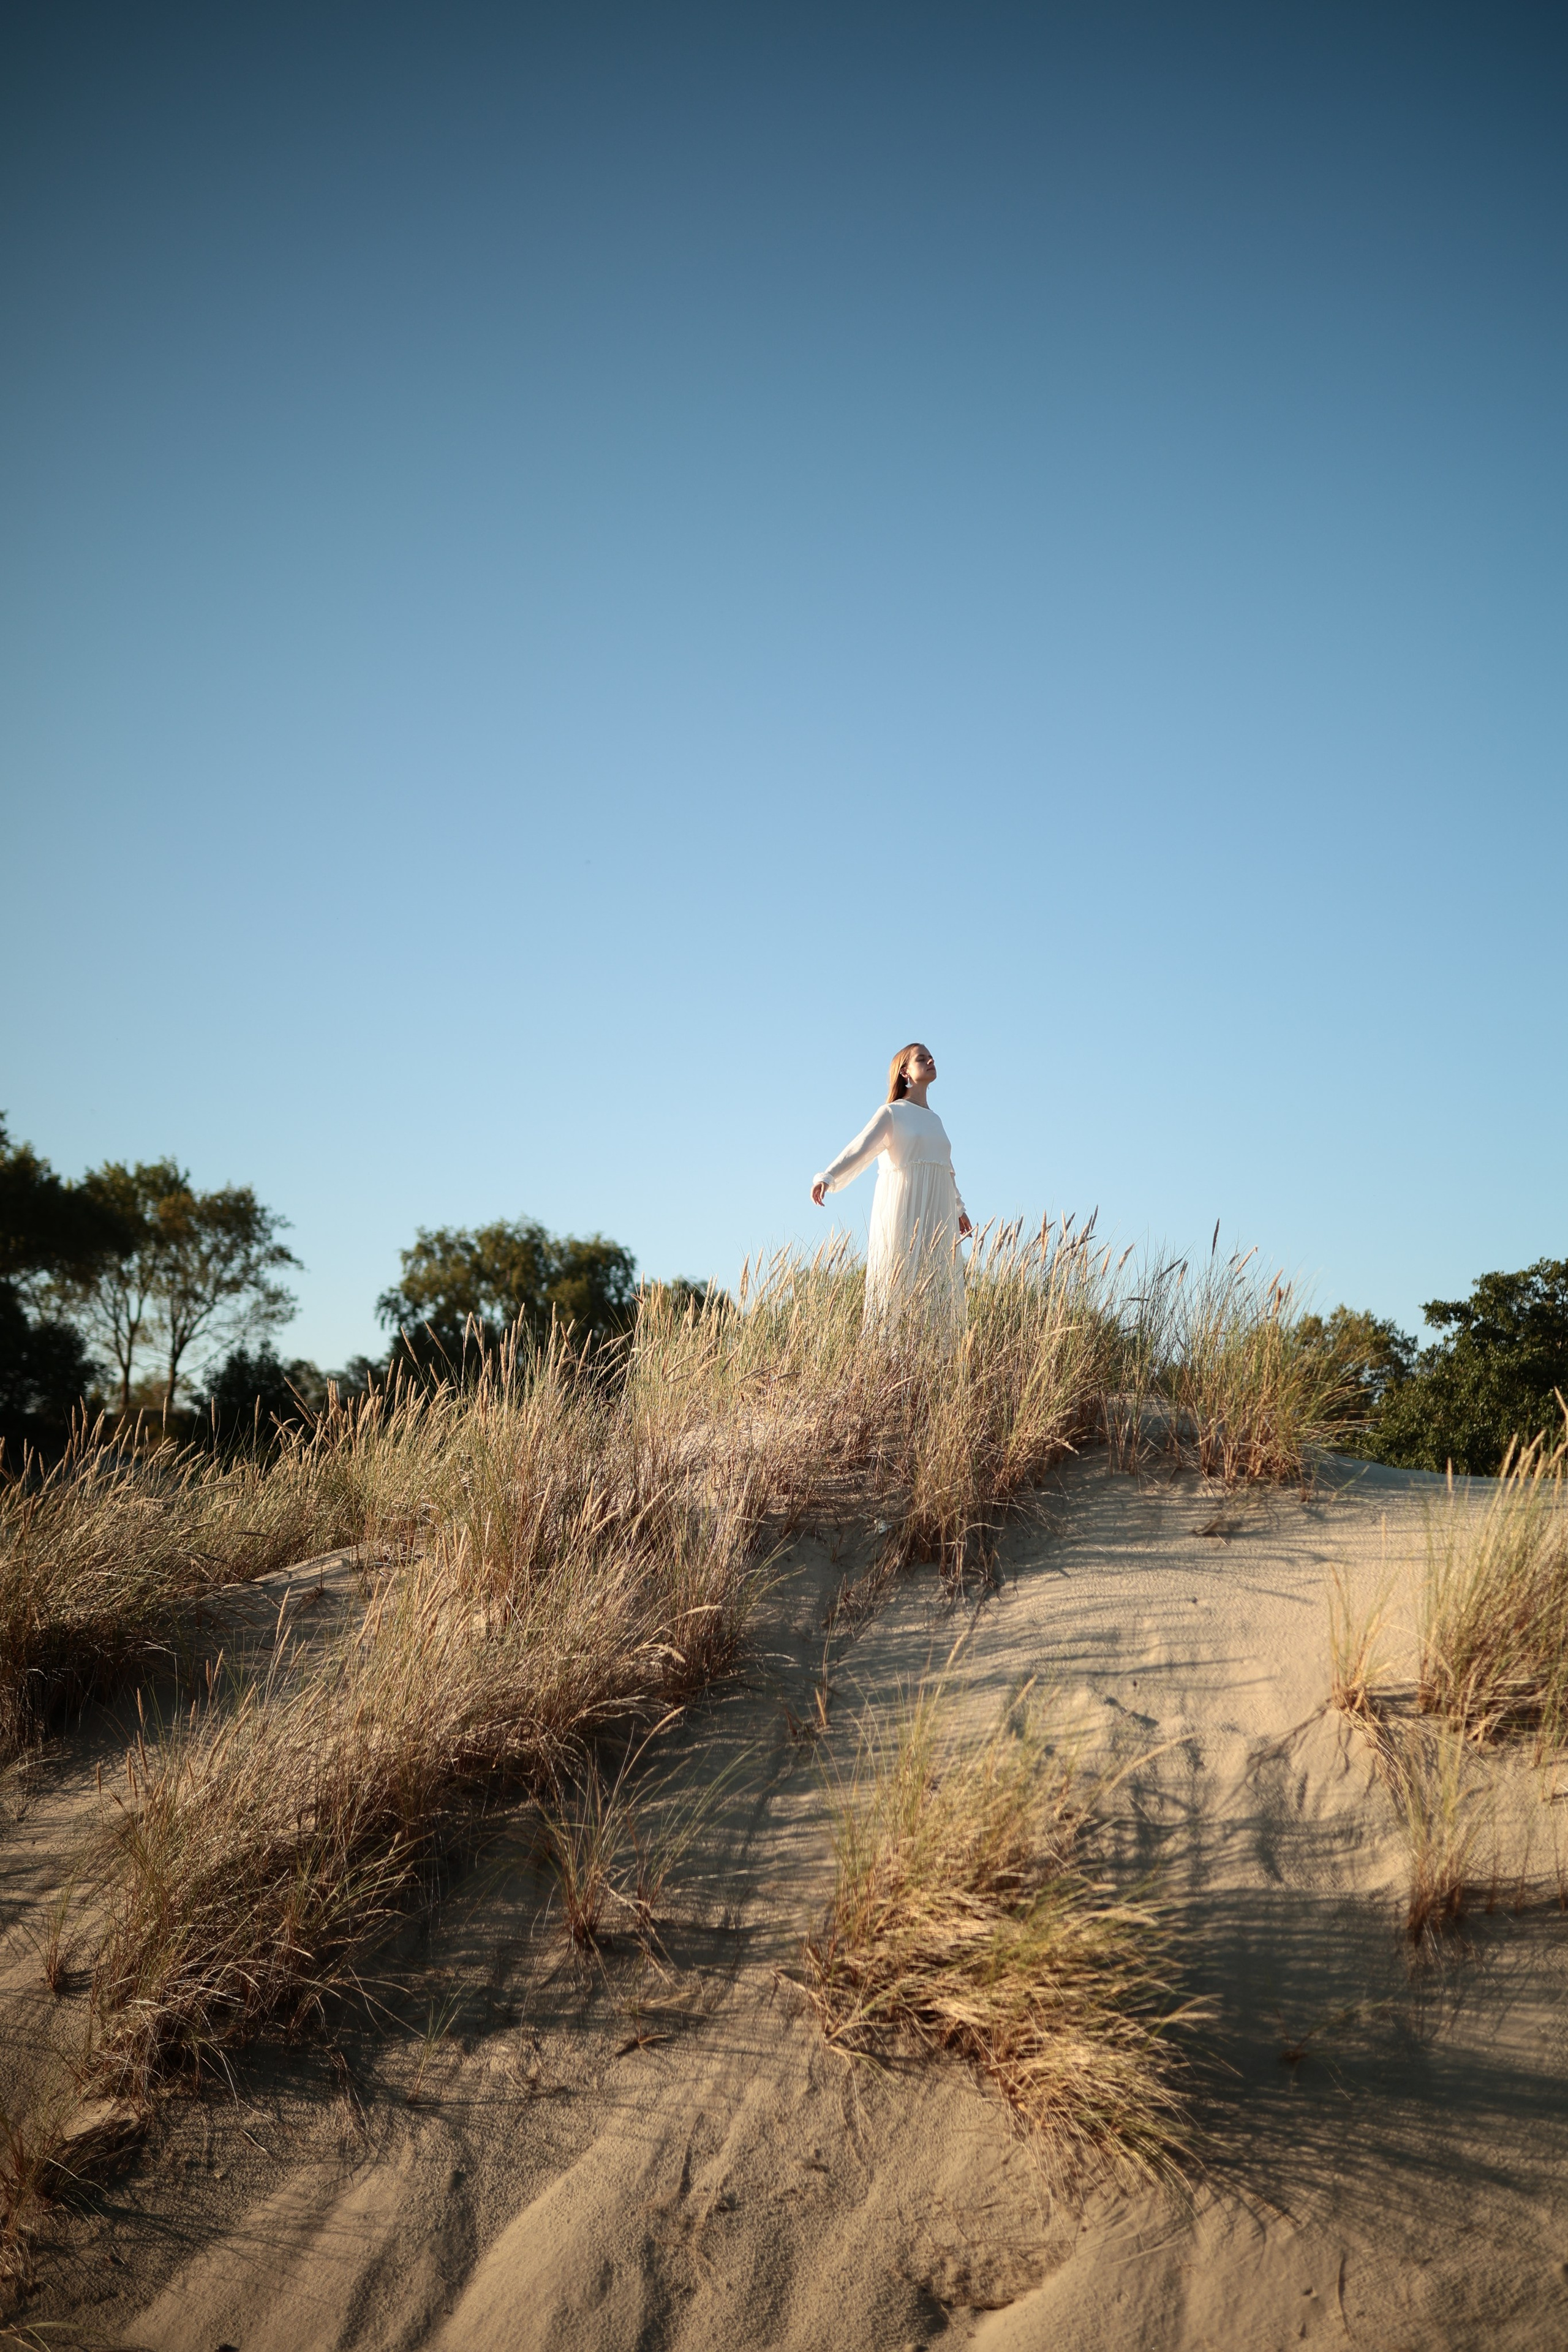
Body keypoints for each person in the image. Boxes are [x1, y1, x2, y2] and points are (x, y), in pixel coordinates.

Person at [811, 1043, 973, 1328]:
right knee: (900, 1284)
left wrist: (959, 1208)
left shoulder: (936, 1120)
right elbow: (861, 1146)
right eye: (922, 1058)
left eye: (931, 1057)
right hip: (904, 1209)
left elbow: (947, 1168)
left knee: (936, 1287)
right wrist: (828, 1176)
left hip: (937, 1214)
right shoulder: (892, 1113)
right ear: (905, 1072)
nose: (931, 1060)